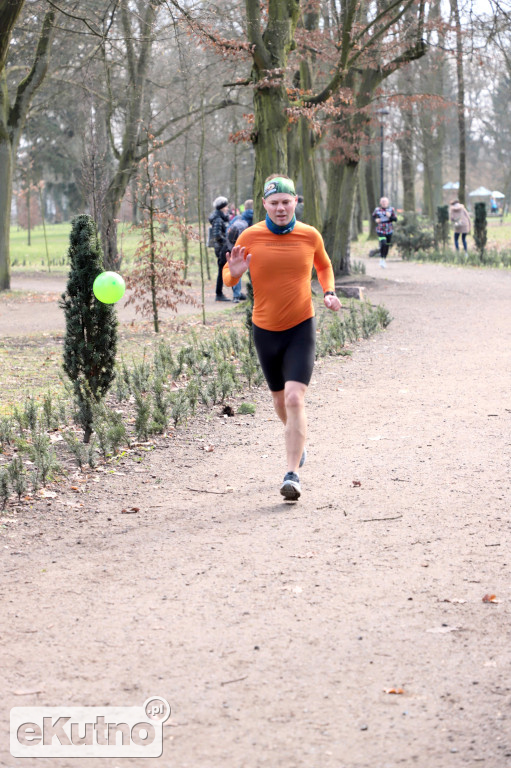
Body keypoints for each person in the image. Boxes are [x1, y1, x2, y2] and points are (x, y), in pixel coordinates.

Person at [223, 174, 342, 501]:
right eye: (274, 203)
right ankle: (296, 435)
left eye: (286, 202)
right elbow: (228, 276)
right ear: (264, 205)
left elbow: (324, 266)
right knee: (279, 401)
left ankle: (292, 474)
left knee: (293, 397)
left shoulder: (309, 235)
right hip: (264, 330)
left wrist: (329, 292)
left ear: (295, 203)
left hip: (301, 327)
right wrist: (234, 272)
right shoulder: (250, 236)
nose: (280, 208)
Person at [209, 196, 231, 302]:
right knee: (221, 270)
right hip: (221, 249)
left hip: (222, 248)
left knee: (223, 269)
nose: (227, 208)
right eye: (226, 206)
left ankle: (222, 293)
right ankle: (219, 293)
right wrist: (226, 243)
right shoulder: (218, 219)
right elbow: (217, 235)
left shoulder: (221, 218)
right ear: (222, 207)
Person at [372, 197, 397, 268]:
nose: (384, 203)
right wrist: (376, 219)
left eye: (385, 202)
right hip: (380, 229)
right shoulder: (377, 210)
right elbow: (373, 216)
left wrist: (390, 216)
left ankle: (383, 259)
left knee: (387, 245)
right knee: (383, 242)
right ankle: (381, 257)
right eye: (382, 202)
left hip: (389, 229)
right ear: (380, 203)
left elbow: (395, 219)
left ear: (388, 203)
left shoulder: (391, 209)